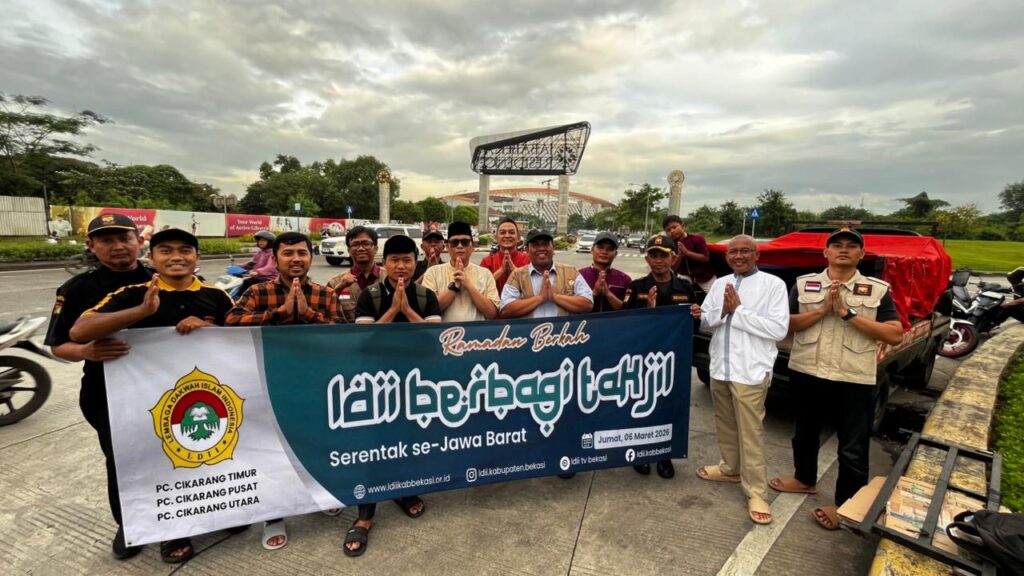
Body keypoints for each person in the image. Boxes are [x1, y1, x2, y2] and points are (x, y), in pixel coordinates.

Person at [68, 227, 240, 563]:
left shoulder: (217, 295)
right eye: (166, 250)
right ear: (151, 257)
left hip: (201, 397)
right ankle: (141, 526)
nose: (176, 257)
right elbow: (79, 330)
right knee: (133, 461)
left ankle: (218, 511)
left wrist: (211, 329)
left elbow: (242, 336)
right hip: (138, 401)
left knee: (206, 454)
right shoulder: (132, 293)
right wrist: (141, 312)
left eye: (185, 250)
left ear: (197, 257)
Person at [769, 227, 903, 530]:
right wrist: (821, 311)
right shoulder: (804, 284)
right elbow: (785, 325)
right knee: (804, 433)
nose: (844, 249)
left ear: (861, 254)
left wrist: (847, 314)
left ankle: (846, 506)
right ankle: (804, 479)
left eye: (851, 246)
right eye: (837, 245)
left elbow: (894, 334)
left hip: (853, 377)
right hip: (808, 370)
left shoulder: (877, 290)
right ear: (825, 252)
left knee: (853, 446)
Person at [44, 214, 155, 562]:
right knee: (122, 459)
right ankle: (130, 524)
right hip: (107, 392)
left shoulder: (164, 278)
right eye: (106, 240)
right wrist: (86, 351)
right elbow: (59, 345)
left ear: (139, 241)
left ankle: (185, 512)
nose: (118, 246)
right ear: (91, 246)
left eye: (124, 238)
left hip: (165, 388)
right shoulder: (76, 289)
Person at [224, 231, 336, 549]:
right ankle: (274, 515)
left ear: (311, 257)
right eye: (288, 254)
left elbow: (342, 332)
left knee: (318, 444)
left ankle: (322, 495)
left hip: (314, 381)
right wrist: (279, 314)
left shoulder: (324, 294)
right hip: (268, 383)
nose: (295, 259)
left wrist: (308, 314)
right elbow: (230, 322)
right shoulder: (258, 291)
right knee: (272, 450)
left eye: (302, 253)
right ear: (275, 259)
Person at [347, 234, 439, 556]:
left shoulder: (426, 296)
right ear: (384, 264)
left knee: (408, 442)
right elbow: (363, 341)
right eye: (394, 260)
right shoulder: (369, 296)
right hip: (376, 384)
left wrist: (408, 311)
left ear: (415, 263)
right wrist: (392, 312)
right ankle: (365, 515)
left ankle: (404, 490)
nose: (401, 266)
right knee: (373, 446)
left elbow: (434, 341)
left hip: (415, 382)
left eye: (407, 260)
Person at [693, 235, 789, 525]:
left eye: (745, 251)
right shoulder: (720, 283)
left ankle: (756, 491)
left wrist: (739, 310)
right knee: (725, 423)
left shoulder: (773, 285)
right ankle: (730, 468)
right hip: (720, 367)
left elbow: (778, 329)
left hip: (750, 369)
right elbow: (706, 322)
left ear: (756, 255)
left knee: (750, 432)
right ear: (727, 257)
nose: (738, 256)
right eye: (733, 251)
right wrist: (722, 311)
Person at [622, 234, 699, 479]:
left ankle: (664, 454)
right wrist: (648, 312)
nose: (658, 260)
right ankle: (641, 452)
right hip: (642, 359)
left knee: (668, 407)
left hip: (673, 359)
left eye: (663, 255)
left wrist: (697, 315)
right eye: (654, 255)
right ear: (647, 259)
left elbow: (695, 326)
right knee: (640, 406)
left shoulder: (686, 288)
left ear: (672, 258)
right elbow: (624, 324)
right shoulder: (637, 287)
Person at [499, 229, 593, 319]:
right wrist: (540, 298)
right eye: (536, 245)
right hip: (531, 330)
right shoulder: (517, 275)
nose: (541, 248)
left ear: (553, 248)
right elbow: (505, 310)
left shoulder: (570, 272)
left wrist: (555, 297)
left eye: (545, 244)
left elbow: (588, 304)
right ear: (527, 250)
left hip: (564, 330)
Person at [421, 221, 499, 322]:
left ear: (472, 246)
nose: (460, 246)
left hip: (476, 332)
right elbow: (429, 310)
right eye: (454, 242)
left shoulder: (485, 274)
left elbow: (492, 313)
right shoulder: (433, 273)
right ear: (447, 247)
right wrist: (455, 286)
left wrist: (468, 284)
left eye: (465, 242)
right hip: (445, 332)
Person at [326, 226, 383, 323]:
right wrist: (339, 289)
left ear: (376, 248)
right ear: (348, 250)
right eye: (355, 244)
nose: (360, 248)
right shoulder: (335, 282)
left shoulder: (390, 278)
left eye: (366, 244)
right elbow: (324, 312)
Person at [578, 232, 631, 312]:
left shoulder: (625, 279)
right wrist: (594, 293)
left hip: (614, 320)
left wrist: (608, 293)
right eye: (600, 247)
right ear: (592, 250)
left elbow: (628, 310)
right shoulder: (579, 275)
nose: (604, 252)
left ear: (615, 254)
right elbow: (572, 307)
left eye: (610, 249)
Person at [663, 214, 715, 293]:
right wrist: (680, 255)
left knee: (717, 296)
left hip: (705, 276)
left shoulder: (697, 239)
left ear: (682, 226)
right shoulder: (669, 245)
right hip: (684, 276)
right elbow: (673, 267)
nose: (672, 231)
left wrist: (687, 252)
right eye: (668, 230)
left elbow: (705, 258)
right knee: (680, 296)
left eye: (674, 227)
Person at [480, 218, 530, 295]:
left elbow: (533, 288)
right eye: (502, 232)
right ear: (496, 238)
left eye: (511, 232)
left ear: (518, 238)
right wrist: (501, 270)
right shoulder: (487, 261)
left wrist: (514, 270)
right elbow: (481, 288)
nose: (507, 236)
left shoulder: (528, 260)